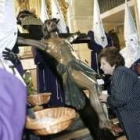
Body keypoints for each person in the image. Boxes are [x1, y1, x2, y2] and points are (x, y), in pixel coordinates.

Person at [17, 19, 118, 140]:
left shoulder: (64, 40)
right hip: (70, 70)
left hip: (80, 65)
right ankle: (103, 121)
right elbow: (24, 40)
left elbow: (74, 36)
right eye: (48, 23)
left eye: (53, 22)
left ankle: (104, 120)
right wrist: (11, 36)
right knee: (92, 85)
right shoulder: (45, 43)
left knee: (97, 85)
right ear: (45, 29)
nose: (52, 23)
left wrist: (77, 34)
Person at [98, 47, 140, 140]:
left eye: (103, 63)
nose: (101, 67)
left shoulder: (121, 73)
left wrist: (107, 98)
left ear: (113, 63)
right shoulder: (119, 73)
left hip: (136, 119)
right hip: (132, 119)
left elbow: (121, 99)